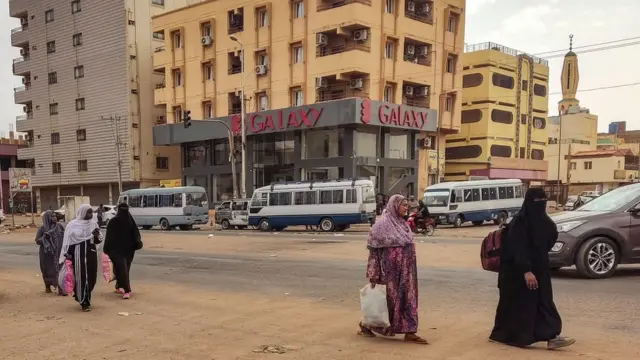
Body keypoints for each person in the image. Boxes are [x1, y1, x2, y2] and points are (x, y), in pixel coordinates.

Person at [490, 187, 575, 350]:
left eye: (544, 200)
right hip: (517, 272)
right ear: (529, 202)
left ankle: (551, 336)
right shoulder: (519, 223)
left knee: (543, 302)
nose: (541, 204)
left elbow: (549, 239)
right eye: (537, 201)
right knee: (517, 305)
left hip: (540, 270)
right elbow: (517, 249)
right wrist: (526, 271)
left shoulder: (545, 222)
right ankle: (506, 335)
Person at [358, 194, 427, 344]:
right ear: (394, 206)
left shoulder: (403, 225)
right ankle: (366, 325)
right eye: (403, 205)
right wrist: (373, 273)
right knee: (386, 302)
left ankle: (410, 331)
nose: (406, 208)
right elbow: (374, 253)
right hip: (388, 274)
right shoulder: (381, 226)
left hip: (407, 272)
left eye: (406, 205)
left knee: (408, 300)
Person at [59, 204, 102, 312]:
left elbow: (98, 240)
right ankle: (84, 302)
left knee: (91, 278)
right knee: (82, 278)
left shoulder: (93, 224)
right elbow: (69, 241)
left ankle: (84, 297)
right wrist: (68, 254)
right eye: (88, 212)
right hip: (78, 255)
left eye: (91, 212)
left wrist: (96, 235)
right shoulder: (73, 225)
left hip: (91, 254)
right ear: (82, 213)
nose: (91, 215)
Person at [104, 203, 142, 299]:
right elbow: (109, 237)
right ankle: (127, 290)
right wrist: (106, 248)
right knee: (122, 268)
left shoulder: (130, 222)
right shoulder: (113, 222)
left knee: (124, 269)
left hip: (128, 250)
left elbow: (136, 234)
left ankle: (118, 286)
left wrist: (137, 243)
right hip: (116, 251)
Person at [35, 210, 65, 294]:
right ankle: (47, 287)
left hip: (58, 252)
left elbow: (64, 235)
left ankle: (61, 288)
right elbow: (37, 240)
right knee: (48, 270)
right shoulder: (42, 228)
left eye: (55, 216)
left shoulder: (59, 226)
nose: (55, 218)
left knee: (60, 270)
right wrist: (45, 237)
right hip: (47, 254)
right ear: (47, 218)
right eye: (52, 216)